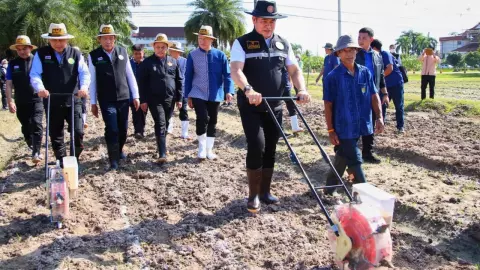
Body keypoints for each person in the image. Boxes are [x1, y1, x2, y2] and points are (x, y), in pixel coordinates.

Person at [230, 0, 311, 213]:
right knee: (257, 145)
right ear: (254, 20)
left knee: (272, 147)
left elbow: (294, 71)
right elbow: (236, 70)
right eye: (264, 20)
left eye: (272, 21)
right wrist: (248, 89)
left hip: (275, 104)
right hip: (252, 105)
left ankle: (265, 192)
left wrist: (301, 90)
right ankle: (253, 195)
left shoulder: (284, 44)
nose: (268, 25)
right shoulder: (242, 43)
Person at [323, 35, 384, 196]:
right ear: (338, 54)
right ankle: (365, 196)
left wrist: (379, 117)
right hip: (343, 126)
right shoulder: (332, 77)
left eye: (352, 50)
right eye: (345, 51)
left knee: (343, 155)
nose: (349, 54)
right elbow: (328, 105)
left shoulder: (365, 73)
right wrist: (330, 130)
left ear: (357, 51)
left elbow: (373, 95)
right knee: (355, 158)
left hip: (361, 124)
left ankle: (329, 190)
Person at [30, 23, 90, 166]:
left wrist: (84, 87)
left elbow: (84, 73)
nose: (58, 43)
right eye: (54, 40)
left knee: (78, 131)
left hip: (73, 98)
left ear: (67, 40)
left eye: (61, 40)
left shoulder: (75, 53)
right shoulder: (41, 54)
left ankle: (74, 158)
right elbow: (35, 74)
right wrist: (40, 88)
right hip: (52, 100)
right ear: (49, 40)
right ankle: (61, 162)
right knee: (56, 135)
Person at [88, 24, 140, 170]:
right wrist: (93, 102)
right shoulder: (93, 56)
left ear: (115, 39)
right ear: (100, 40)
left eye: (111, 38)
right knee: (112, 128)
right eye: (105, 38)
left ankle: (120, 149)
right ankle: (113, 159)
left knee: (123, 129)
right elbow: (92, 81)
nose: (108, 41)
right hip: (106, 99)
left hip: (123, 98)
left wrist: (135, 96)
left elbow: (130, 75)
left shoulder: (122, 52)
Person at [185, 25, 234, 160]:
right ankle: (201, 148)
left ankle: (209, 150)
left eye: (205, 38)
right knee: (203, 117)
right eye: (200, 38)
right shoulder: (192, 55)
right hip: (197, 92)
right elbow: (188, 76)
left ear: (211, 40)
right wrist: (187, 95)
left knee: (213, 120)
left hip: (215, 93)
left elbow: (227, 75)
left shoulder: (220, 55)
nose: (202, 41)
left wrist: (229, 91)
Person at [137, 34, 183, 163]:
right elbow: (142, 82)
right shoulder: (147, 63)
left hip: (170, 98)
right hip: (153, 99)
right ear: (154, 47)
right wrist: (143, 100)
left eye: (163, 47)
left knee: (166, 122)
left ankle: (161, 146)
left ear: (167, 48)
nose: (160, 49)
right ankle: (162, 153)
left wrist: (179, 98)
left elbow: (179, 80)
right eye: (158, 47)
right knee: (160, 122)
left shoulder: (173, 62)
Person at [6, 35, 44, 163]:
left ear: (30, 48)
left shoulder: (37, 61)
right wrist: (10, 100)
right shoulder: (12, 64)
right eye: (19, 49)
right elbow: (9, 83)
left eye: (25, 48)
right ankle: (29, 140)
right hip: (21, 100)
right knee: (26, 126)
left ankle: (36, 152)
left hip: (36, 99)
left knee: (36, 123)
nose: (22, 51)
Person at [356, 27, 389, 164]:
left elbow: (381, 77)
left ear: (371, 39)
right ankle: (348, 151)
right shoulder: (355, 54)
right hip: (357, 94)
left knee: (371, 122)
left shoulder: (377, 56)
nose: (360, 40)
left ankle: (367, 153)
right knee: (355, 122)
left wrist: (385, 93)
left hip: (373, 95)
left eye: (364, 38)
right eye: (359, 37)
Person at [371, 39, 405, 133]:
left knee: (399, 106)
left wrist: (378, 77)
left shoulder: (385, 54)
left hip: (396, 84)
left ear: (374, 48)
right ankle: (381, 126)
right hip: (385, 86)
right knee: (382, 105)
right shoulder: (374, 56)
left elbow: (390, 68)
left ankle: (400, 127)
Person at [166, 41, 190, 140]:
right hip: (170, 90)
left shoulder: (185, 61)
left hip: (183, 90)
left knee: (183, 110)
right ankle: (169, 129)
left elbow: (188, 76)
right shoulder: (166, 61)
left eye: (175, 51)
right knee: (169, 110)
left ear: (179, 52)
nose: (173, 53)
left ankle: (185, 133)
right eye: (171, 51)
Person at [130, 44, 147, 139]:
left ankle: (141, 129)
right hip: (133, 93)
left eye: (139, 53)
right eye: (136, 54)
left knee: (143, 112)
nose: (138, 56)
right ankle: (138, 130)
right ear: (133, 54)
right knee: (135, 111)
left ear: (143, 53)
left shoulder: (147, 64)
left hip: (144, 92)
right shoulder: (129, 64)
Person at [72, 46, 88, 129]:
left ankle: (84, 121)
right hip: (73, 88)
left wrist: (84, 87)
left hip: (82, 87)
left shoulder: (82, 61)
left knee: (83, 103)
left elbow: (85, 74)